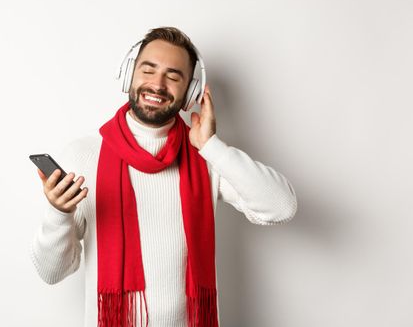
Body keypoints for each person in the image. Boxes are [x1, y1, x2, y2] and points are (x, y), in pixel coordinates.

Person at [30, 27, 297, 327]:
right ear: (130, 74)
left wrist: (212, 146)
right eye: (148, 70)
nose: (157, 84)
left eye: (173, 75)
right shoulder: (83, 155)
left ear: (190, 92)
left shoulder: (205, 156)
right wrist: (59, 212)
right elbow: (52, 272)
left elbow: (281, 207)